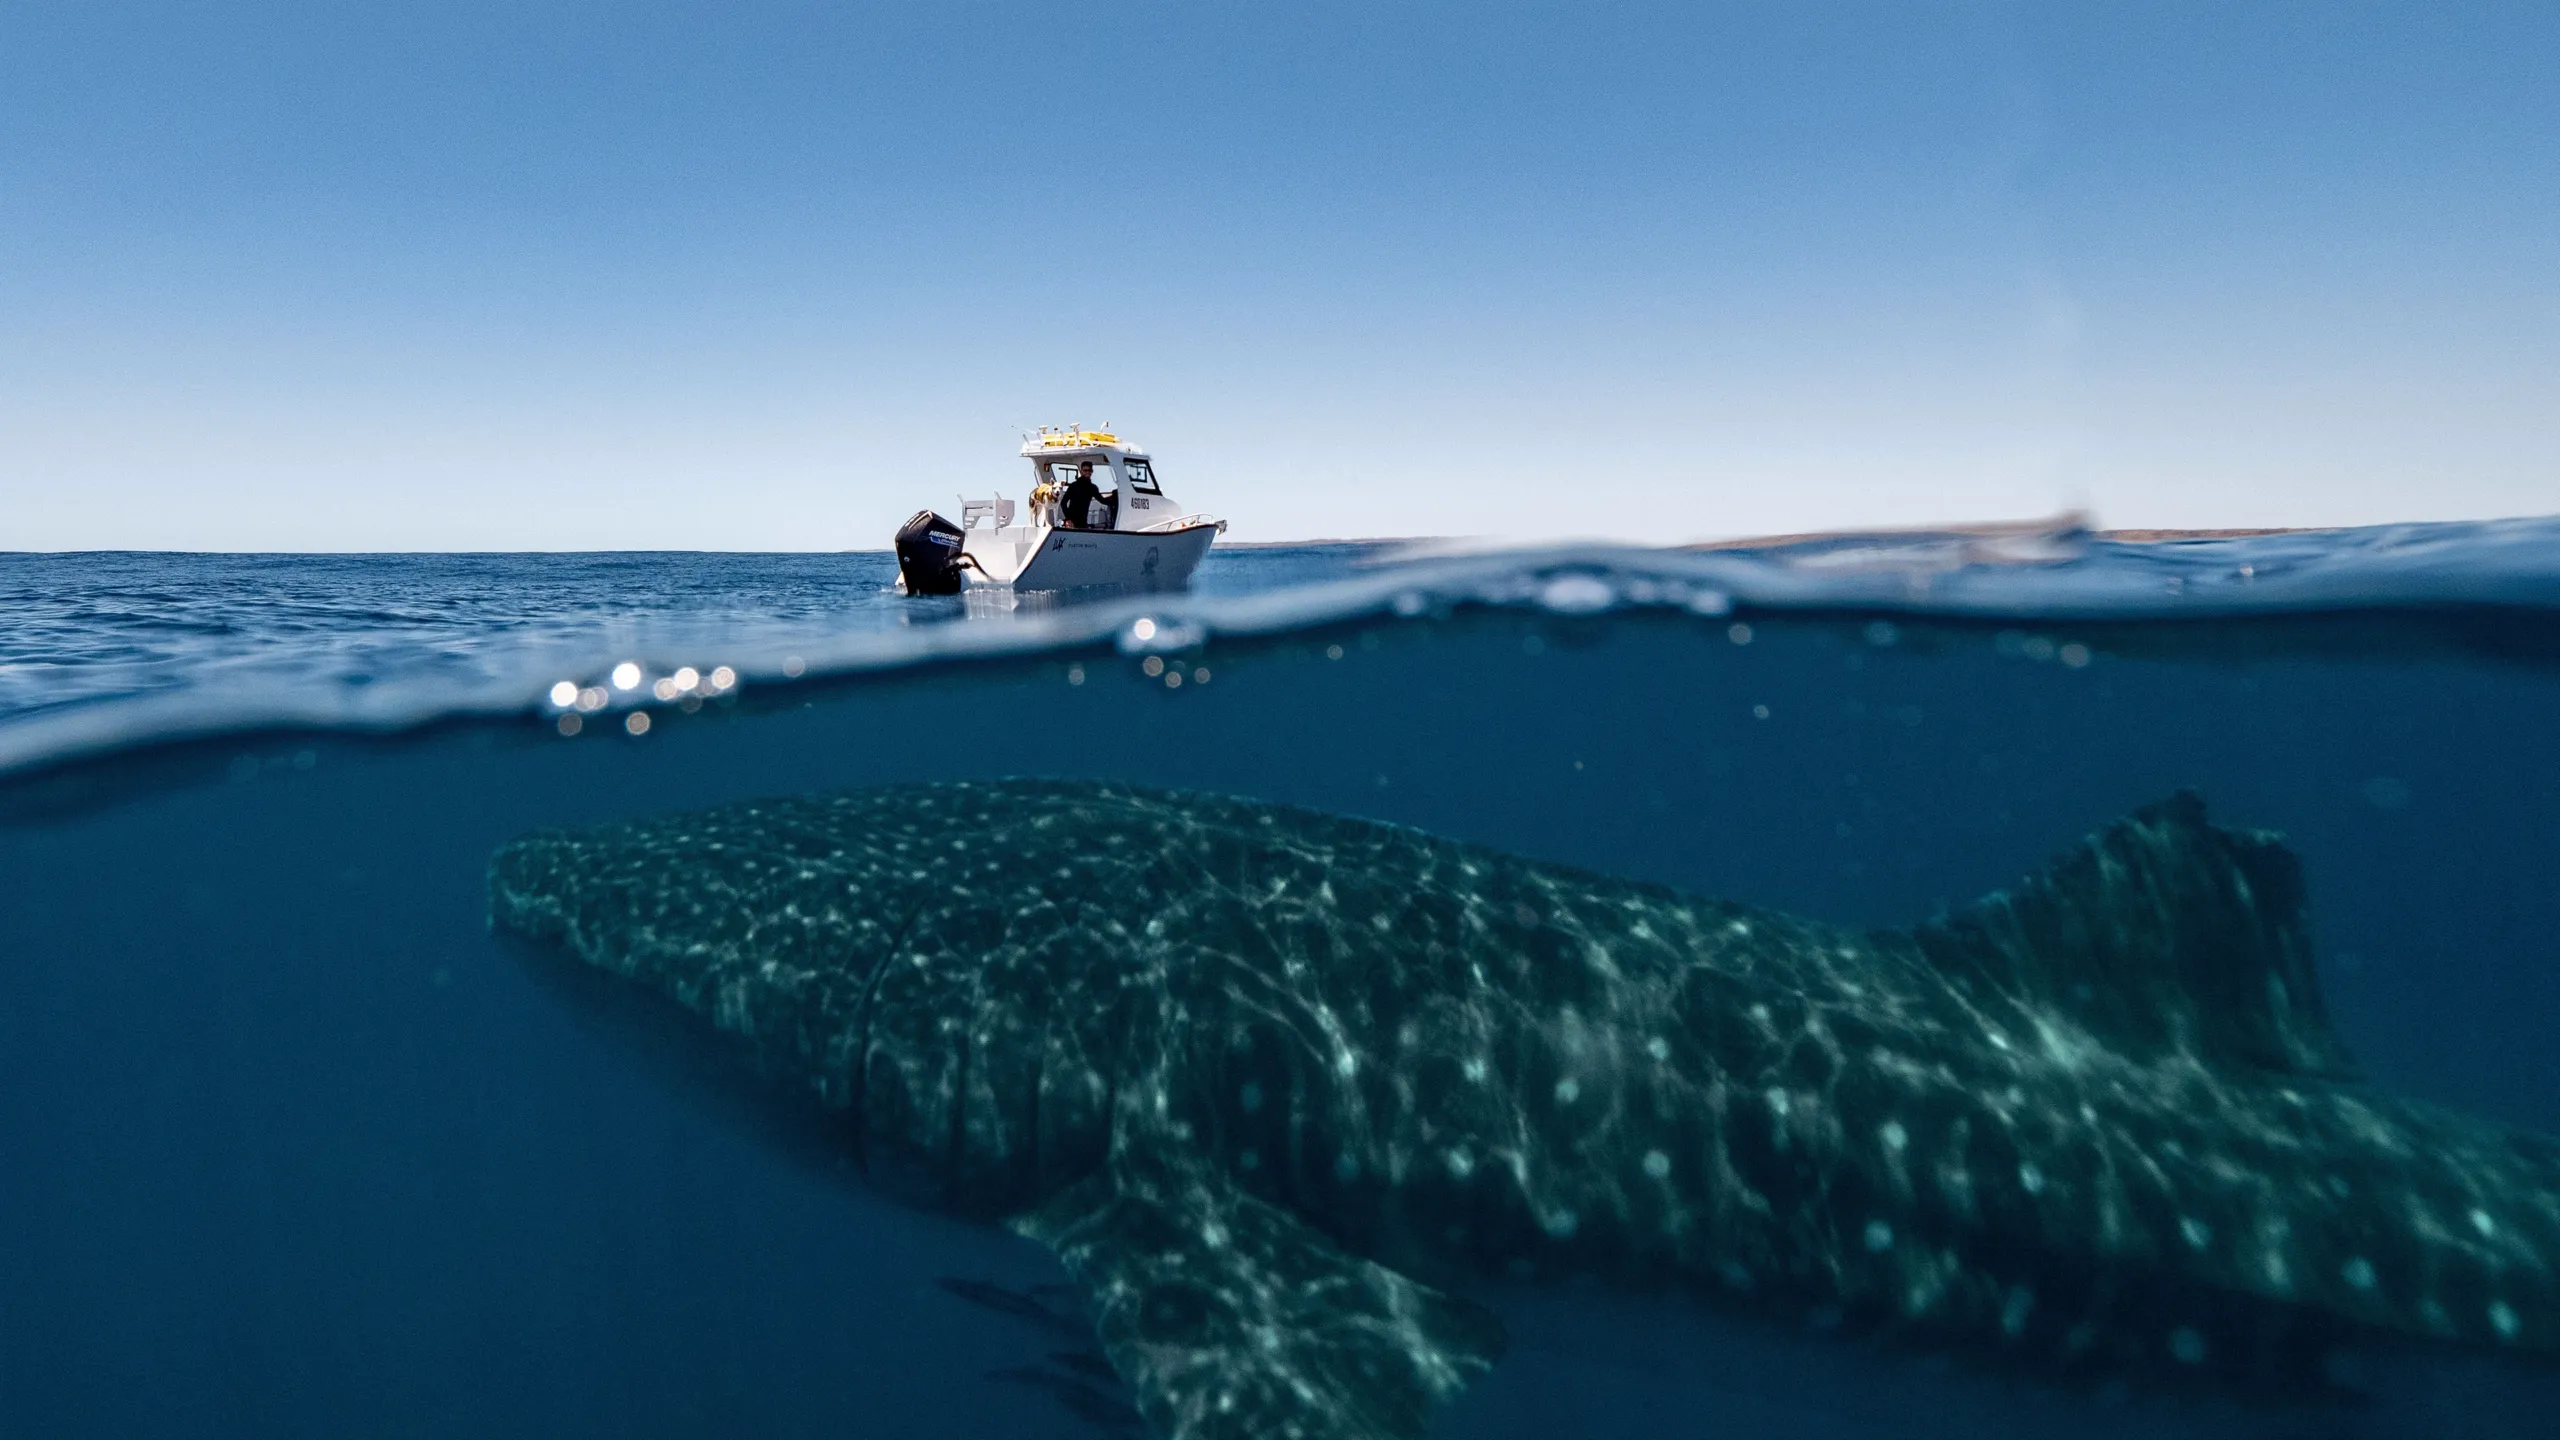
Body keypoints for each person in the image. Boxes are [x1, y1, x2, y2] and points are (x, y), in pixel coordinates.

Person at [1058, 461, 1107, 530]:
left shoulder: (1092, 488)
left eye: (1089, 470)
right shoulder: (1073, 486)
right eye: (1085, 470)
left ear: (1092, 471)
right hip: (1071, 521)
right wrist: (1068, 519)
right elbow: (1063, 503)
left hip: (1083, 521)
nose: (1087, 472)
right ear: (1081, 471)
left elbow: (1102, 500)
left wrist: (1115, 499)